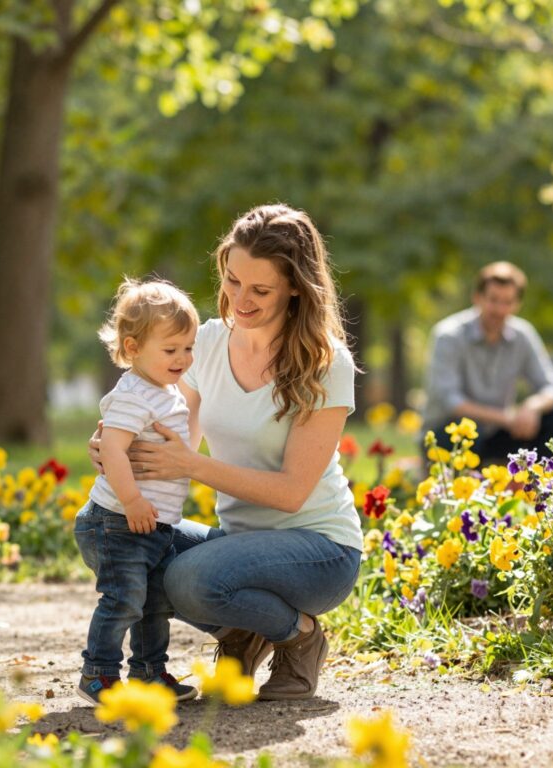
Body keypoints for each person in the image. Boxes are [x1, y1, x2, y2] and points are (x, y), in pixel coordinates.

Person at [88, 204, 362, 701]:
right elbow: (176, 442)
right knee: (108, 535)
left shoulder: (326, 362)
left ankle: (300, 636)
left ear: (296, 287)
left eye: (260, 290)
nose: (240, 299)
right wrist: (120, 448)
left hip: (319, 550)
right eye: (233, 281)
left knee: (190, 579)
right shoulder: (207, 343)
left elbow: (292, 493)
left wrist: (190, 465)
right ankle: (244, 630)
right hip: (239, 542)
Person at [75, 278, 200, 704]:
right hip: (117, 521)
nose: (183, 358)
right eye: (171, 350)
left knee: (153, 603)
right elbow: (111, 447)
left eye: (188, 348)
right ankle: (98, 673)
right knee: (125, 599)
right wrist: (131, 500)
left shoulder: (163, 392)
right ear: (132, 348)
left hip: (152, 523)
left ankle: (149, 672)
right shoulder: (133, 393)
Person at [422, 261, 553, 462]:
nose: (500, 309)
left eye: (507, 302)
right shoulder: (448, 336)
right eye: (493, 300)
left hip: (500, 432)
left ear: (517, 304)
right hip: (447, 434)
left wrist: (531, 407)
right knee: (467, 433)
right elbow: (451, 401)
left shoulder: (523, 335)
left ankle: (537, 486)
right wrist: (507, 418)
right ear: (477, 298)